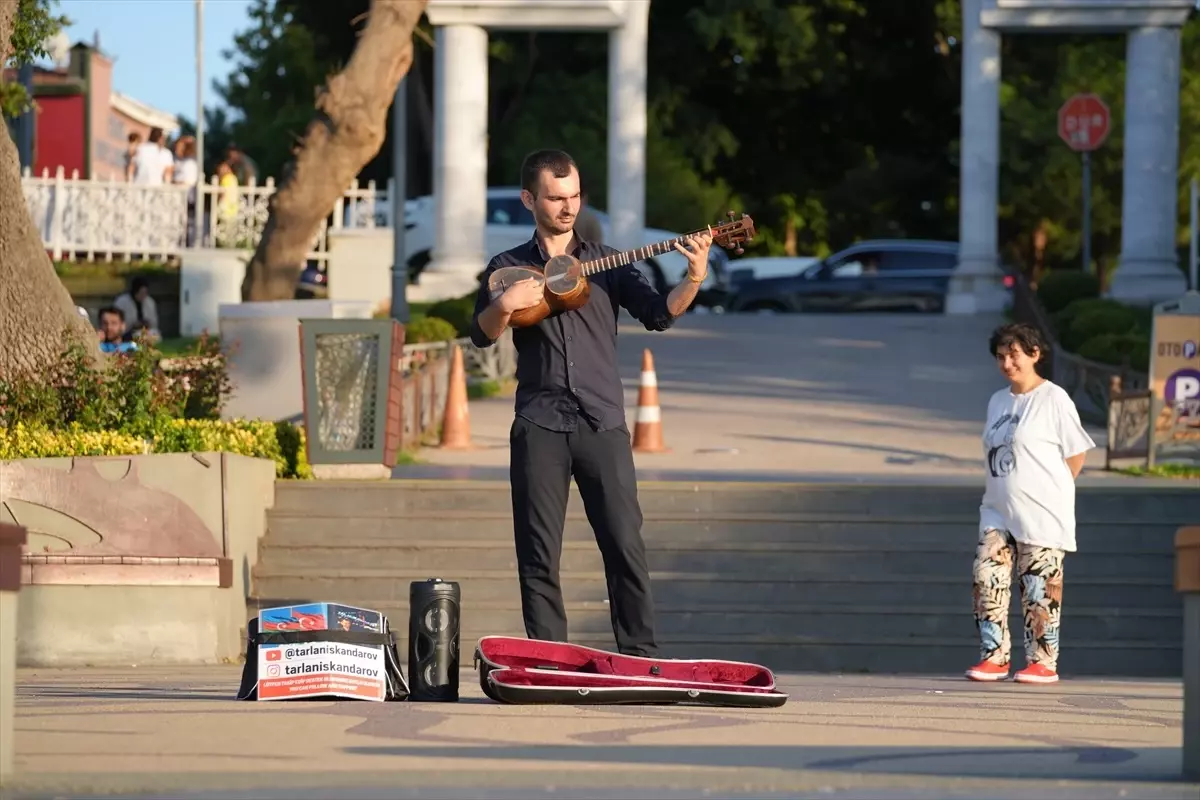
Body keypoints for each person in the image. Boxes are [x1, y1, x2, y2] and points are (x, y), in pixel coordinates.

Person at [469, 149, 712, 657]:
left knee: (625, 545)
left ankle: (639, 658)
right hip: (538, 423)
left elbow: (659, 315)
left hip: (602, 421)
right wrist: (502, 306)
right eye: (555, 197)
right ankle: (551, 659)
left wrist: (692, 278)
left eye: (574, 195)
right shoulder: (507, 267)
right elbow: (483, 335)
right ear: (528, 199)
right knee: (538, 553)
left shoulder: (607, 262)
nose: (567, 206)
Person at [966, 322, 1096, 685]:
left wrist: (1051, 491)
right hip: (997, 509)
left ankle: (1043, 661)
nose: (1007, 363)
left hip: (1042, 511)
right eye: (1001, 357)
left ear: (1035, 354)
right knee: (986, 578)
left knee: (1038, 588)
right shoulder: (997, 401)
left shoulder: (1054, 399)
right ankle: (994, 656)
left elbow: (1076, 454)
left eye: (1014, 355)